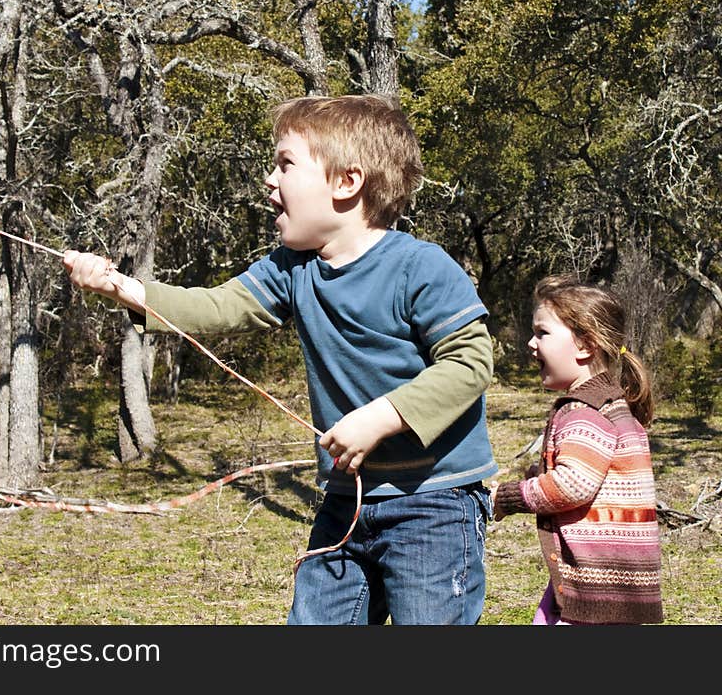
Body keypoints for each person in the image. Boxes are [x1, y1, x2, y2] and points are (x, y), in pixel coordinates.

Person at [64, 94, 497, 625]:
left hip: (434, 502)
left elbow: (470, 363)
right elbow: (217, 306)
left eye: (286, 164)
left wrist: (381, 418)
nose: (269, 180)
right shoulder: (292, 268)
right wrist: (122, 287)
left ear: (347, 182)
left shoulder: (419, 267)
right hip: (347, 501)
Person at [490, 275, 663, 625]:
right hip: (618, 583)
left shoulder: (584, 412)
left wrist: (508, 497)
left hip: (593, 585)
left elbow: (572, 485)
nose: (530, 343)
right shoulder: (613, 407)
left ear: (585, 346)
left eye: (543, 333)